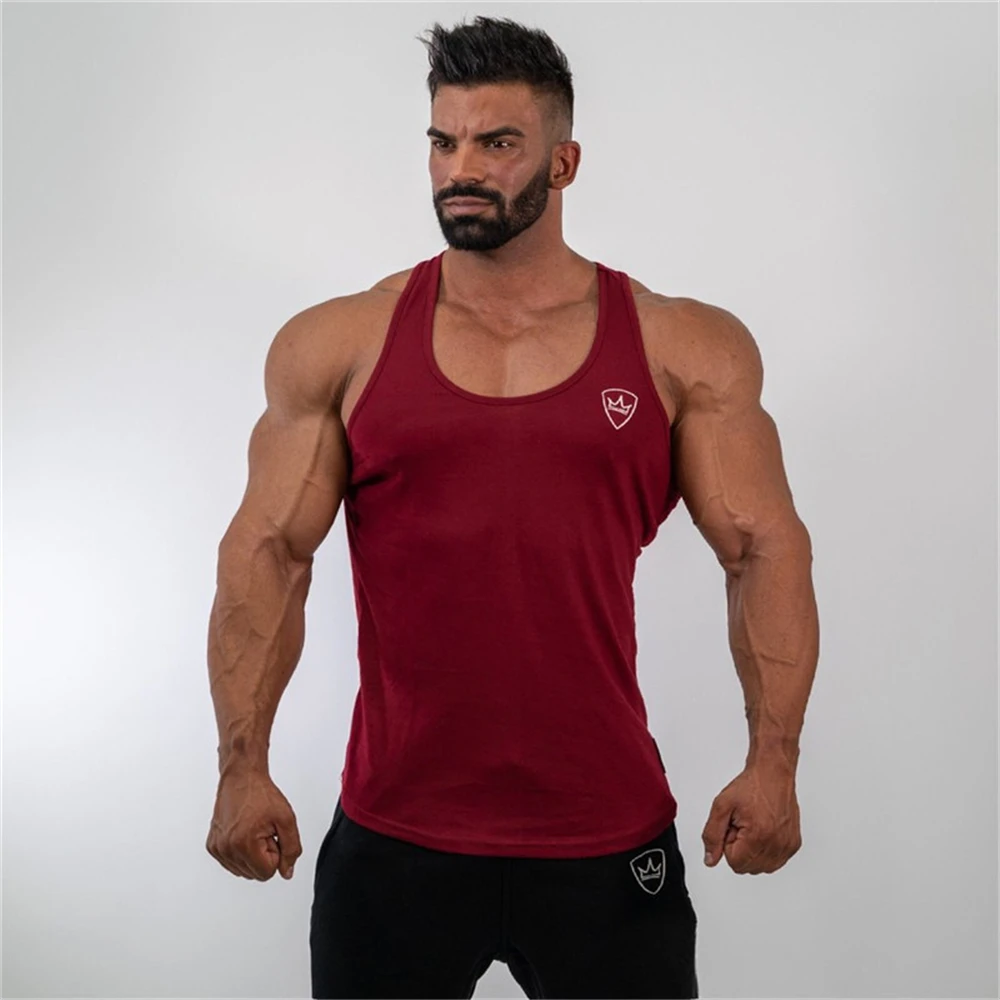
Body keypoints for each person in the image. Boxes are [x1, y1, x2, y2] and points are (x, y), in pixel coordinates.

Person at [205, 15, 819, 1000]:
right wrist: (242, 765)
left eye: (496, 143)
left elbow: (763, 549)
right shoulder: (341, 345)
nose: (461, 169)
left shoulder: (679, 346)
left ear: (563, 162)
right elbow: (268, 551)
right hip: (393, 836)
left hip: (604, 835)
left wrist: (773, 762)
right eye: (442, 142)